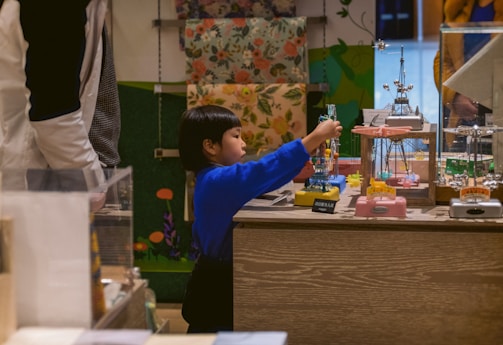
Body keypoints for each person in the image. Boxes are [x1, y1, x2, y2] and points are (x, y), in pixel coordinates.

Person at [178, 104, 342, 333]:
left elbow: (263, 179)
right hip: (217, 285)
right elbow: (260, 172)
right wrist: (314, 138)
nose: (243, 143)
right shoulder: (218, 180)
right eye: (235, 136)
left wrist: (298, 164)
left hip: (216, 278)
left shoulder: (213, 179)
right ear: (210, 146)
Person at [0, 0, 120, 189]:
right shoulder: (55, 6)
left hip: (48, 177)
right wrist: (92, 184)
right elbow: (53, 115)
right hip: (37, 183)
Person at [433, 0, 503, 151]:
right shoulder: (458, 6)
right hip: (464, 116)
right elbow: (443, 61)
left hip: (499, 111)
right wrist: (454, 95)